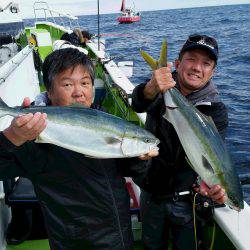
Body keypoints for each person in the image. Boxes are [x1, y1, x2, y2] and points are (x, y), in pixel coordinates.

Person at [0, 48, 157, 250]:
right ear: (49, 91)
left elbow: (141, 177)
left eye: (85, 83)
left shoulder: (109, 122)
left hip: (119, 235)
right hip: (74, 243)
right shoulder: (35, 136)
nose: (79, 92)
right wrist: (12, 137)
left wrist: (139, 158)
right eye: (67, 84)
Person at [131, 34, 228, 250]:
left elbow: (214, 156)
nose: (197, 68)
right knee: (151, 246)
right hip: (153, 193)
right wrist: (151, 88)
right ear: (177, 63)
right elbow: (137, 103)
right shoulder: (160, 89)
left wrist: (213, 185)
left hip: (189, 202)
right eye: (191, 59)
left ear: (212, 72)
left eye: (206, 63)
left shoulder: (216, 111)